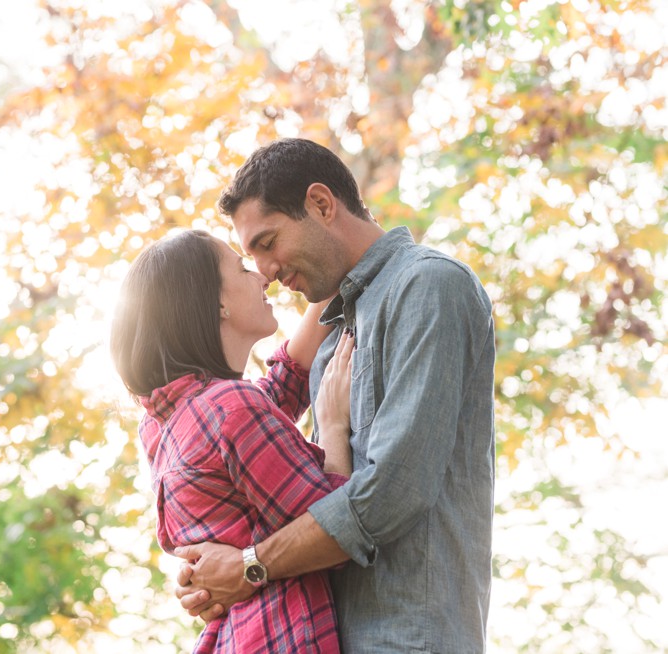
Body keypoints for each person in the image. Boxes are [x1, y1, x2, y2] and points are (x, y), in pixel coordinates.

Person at [174, 138, 496, 653]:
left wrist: (251, 565)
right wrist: (210, 568)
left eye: (267, 242)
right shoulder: (336, 334)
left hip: (408, 638)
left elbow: (393, 492)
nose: (266, 271)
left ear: (322, 204)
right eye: (250, 257)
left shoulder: (429, 286)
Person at [110, 228, 358, 653]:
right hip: (286, 636)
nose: (262, 277)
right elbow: (336, 529)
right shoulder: (231, 408)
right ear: (217, 303)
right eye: (242, 268)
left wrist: (333, 266)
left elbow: (281, 387)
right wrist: (333, 427)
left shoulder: (164, 422)